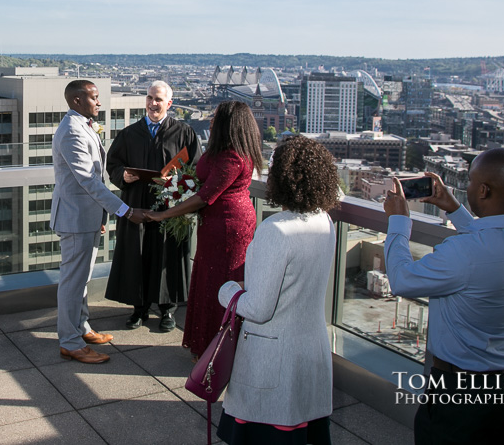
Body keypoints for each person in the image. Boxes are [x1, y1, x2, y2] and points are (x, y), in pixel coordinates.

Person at [384, 148, 504, 445]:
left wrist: (399, 222)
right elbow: (491, 245)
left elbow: (402, 280)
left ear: (484, 190)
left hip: (462, 391)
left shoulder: (463, 253)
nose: (466, 189)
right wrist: (455, 210)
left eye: (470, 183)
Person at [214, 135, 338, 445]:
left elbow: (259, 308)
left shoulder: (275, 230)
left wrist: (227, 291)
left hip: (272, 360)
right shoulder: (325, 221)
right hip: (311, 353)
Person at [146, 100, 262, 357]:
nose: (210, 120)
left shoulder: (233, 157)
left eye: (216, 117)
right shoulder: (220, 150)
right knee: (208, 278)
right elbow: (199, 182)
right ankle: (206, 343)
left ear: (227, 123)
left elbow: (205, 196)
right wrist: (174, 187)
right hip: (213, 223)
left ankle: (221, 349)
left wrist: (163, 214)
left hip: (230, 225)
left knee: (222, 280)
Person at [51, 80, 149, 364]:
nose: (99, 103)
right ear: (77, 101)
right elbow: (87, 181)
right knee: (72, 282)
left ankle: (80, 329)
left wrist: (100, 215)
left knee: (81, 279)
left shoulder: (81, 124)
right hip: (75, 218)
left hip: (85, 216)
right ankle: (70, 342)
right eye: (94, 98)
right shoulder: (71, 130)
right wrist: (125, 211)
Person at [105, 80, 201, 331]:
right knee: (137, 254)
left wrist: (177, 183)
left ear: (169, 103)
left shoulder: (184, 133)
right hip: (136, 204)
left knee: (166, 254)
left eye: (158, 99)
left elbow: (197, 170)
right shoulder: (129, 133)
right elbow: (113, 165)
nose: (152, 103)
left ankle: (168, 310)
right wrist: (122, 176)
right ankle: (139, 308)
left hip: (169, 207)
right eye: (149, 98)